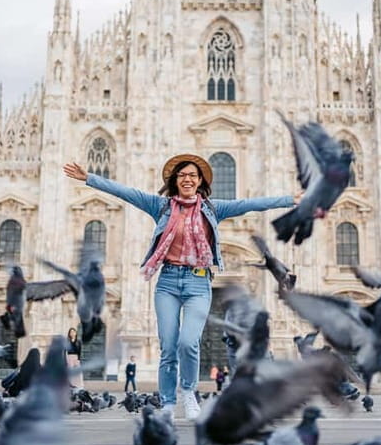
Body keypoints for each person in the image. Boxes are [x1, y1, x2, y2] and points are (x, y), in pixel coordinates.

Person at [64, 155, 297, 420]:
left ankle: (188, 391)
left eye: (193, 176)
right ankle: (167, 402)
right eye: (182, 175)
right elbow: (127, 193)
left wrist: (291, 200)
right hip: (168, 280)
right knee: (169, 345)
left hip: (198, 281)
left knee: (188, 343)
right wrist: (89, 178)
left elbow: (250, 204)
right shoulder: (160, 207)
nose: (187, 179)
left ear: (200, 182)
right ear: (175, 181)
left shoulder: (213, 208)